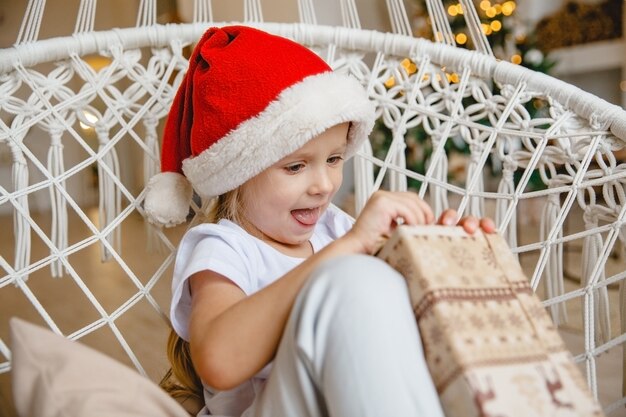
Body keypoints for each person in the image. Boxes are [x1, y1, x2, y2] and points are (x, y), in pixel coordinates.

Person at [145, 25, 495, 417]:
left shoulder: (336, 230)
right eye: (295, 166)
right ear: (237, 174)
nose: (325, 185)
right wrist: (348, 252)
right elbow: (219, 362)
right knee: (353, 278)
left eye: (334, 159)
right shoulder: (226, 247)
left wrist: (438, 255)